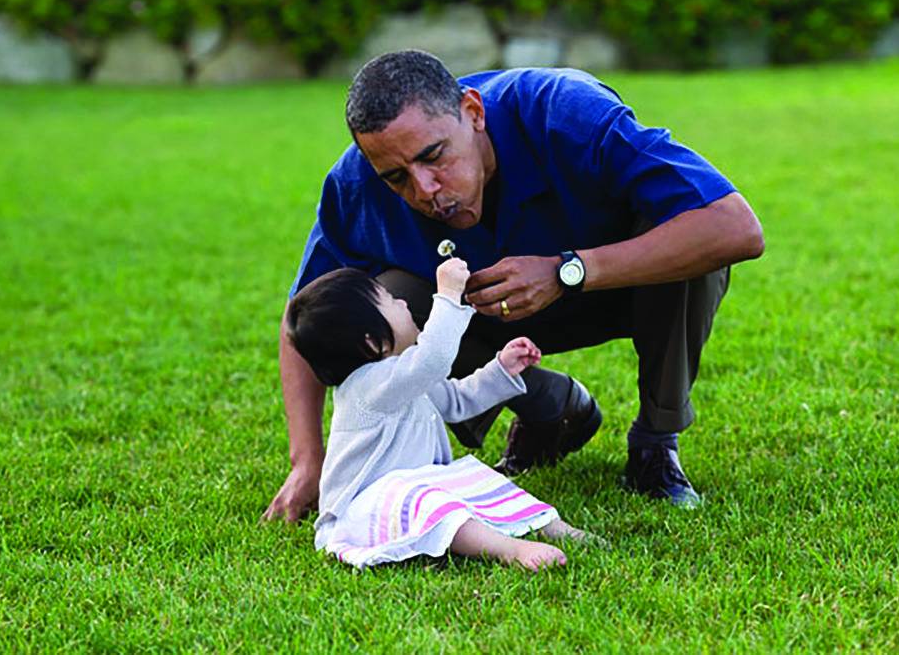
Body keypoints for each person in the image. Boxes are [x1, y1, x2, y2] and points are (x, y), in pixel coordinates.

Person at [265, 49, 764, 522]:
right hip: (484, 325)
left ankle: (656, 442)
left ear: (473, 112)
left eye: (435, 156)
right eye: (397, 178)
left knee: (690, 241)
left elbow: (734, 226)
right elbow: (302, 318)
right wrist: (308, 460)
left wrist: (569, 271)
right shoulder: (355, 185)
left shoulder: (566, 111)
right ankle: (551, 410)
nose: (425, 191)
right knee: (389, 298)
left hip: (612, 293)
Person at [288, 257, 589, 570]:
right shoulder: (368, 386)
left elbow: (457, 401)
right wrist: (447, 295)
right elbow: (435, 358)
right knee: (424, 497)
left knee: (477, 477)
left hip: (415, 492)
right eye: (390, 301)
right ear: (373, 342)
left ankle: (554, 527)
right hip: (366, 510)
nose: (403, 302)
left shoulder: (401, 376)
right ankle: (509, 548)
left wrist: (501, 371)